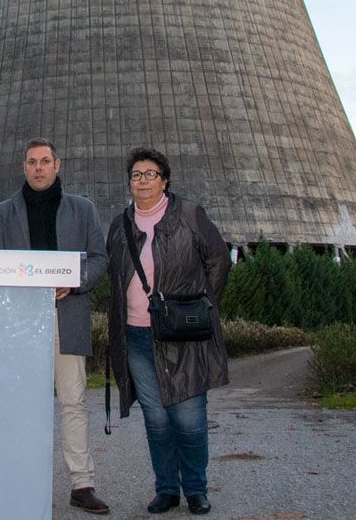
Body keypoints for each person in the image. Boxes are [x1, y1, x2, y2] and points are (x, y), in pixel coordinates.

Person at [0, 137, 111, 515]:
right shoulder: (5, 212)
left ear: (58, 164)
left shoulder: (82, 209)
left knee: (73, 399)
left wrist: (75, 281)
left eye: (44, 161)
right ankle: (20, 476)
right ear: (23, 167)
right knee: (20, 402)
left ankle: (81, 482)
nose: (38, 168)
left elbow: (100, 257)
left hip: (65, 316)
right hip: (19, 322)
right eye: (31, 162)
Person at [105, 148, 231, 515]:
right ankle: (166, 489)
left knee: (189, 417)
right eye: (136, 175)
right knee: (156, 418)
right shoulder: (120, 224)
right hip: (137, 335)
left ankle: (195, 489)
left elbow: (219, 260)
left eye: (150, 174)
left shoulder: (189, 215)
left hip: (182, 334)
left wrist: (201, 306)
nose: (142, 181)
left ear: (165, 180)